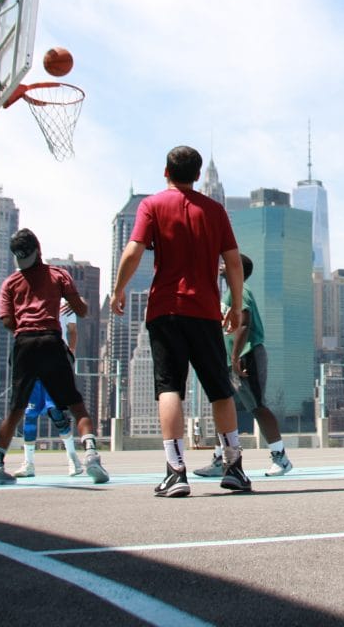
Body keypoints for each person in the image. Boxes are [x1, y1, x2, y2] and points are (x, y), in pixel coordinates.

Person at [111, 145, 251, 497]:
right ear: (198, 175)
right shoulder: (215, 211)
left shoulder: (152, 205)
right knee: (220, 389)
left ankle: (176, 472)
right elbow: (234, 262)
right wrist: (235, 306)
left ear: (166, 172)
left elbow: (133, 250)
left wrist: (118, 289)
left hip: (166, 310)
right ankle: (234, 467)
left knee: (169, 388)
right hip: (205, 311)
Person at [0, 228, 109, 485]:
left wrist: (25, 326)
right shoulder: (58, 275)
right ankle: (91, 456)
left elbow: (7, 321)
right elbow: (82, 311)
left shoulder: (10, 283)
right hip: (51, 341)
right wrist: (78, 302)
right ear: (38, 250)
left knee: (16, 409)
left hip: (24, 344)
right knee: (76, 405)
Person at [195, 255, 293, 478]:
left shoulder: (240, 290)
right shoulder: (229, 293)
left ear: (236, 268)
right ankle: (221, 459)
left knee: (257, 406)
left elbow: (245, 322)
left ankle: (281, 458)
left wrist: (236, 356)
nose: (221, 265)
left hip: (247, 356)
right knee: (224, 405)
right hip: (233, 359)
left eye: (225, 262)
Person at [10, 305, 86, 477]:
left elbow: (73, 330)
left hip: (55, 362)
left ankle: (73, 459)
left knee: (56, 412)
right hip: (31, 362)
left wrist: (71, 352)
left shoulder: (64, 305)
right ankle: (28, 463)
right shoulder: (26, 303)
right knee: (30, 414)